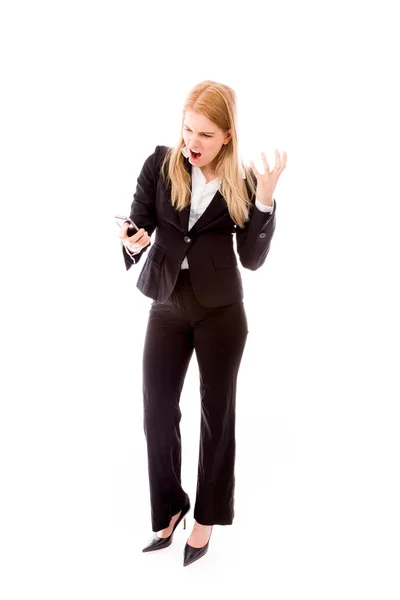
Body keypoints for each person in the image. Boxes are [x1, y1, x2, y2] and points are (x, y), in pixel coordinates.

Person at [117, 80, 287, 567]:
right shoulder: (159, 163)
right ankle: (170, 508)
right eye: (188, 129)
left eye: (206, 135)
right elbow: (139, 221)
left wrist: (266, 201)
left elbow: (252, 258)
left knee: (218, 416)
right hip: (167, 303)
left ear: (228, 136)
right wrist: (132, 239)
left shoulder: (243, 181)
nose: (193, 142)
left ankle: (207, 518)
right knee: (157, 412)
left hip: (221, 312)